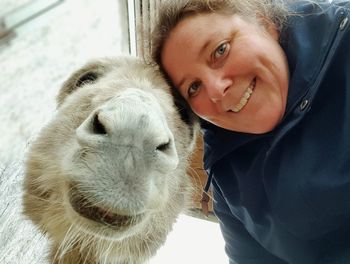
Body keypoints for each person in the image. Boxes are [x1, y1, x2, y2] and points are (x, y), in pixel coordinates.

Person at [150, 0, 350, 263]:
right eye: (193, 88)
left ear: (263, 22)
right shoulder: (226, 167)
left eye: (220, 50)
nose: (216, 89)